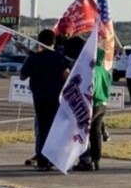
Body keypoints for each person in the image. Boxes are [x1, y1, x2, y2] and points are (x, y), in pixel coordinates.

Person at [19, 30, 66, 171]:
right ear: (54, 42)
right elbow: (66, 75)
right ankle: (54, 159)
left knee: (43, 128)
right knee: (54, 129)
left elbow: (22, 76)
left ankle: (42, 160)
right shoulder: (58, 57)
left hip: (39, 97)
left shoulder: (34, 59)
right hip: (55, 98)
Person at [77, 47, 111, 172]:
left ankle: (85, 160)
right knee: (96, 132)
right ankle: (96, 159)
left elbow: (91, 88)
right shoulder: (105, 71)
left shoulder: (92, 71)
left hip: (92, 103)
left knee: (84, 130)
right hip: (103, 103)